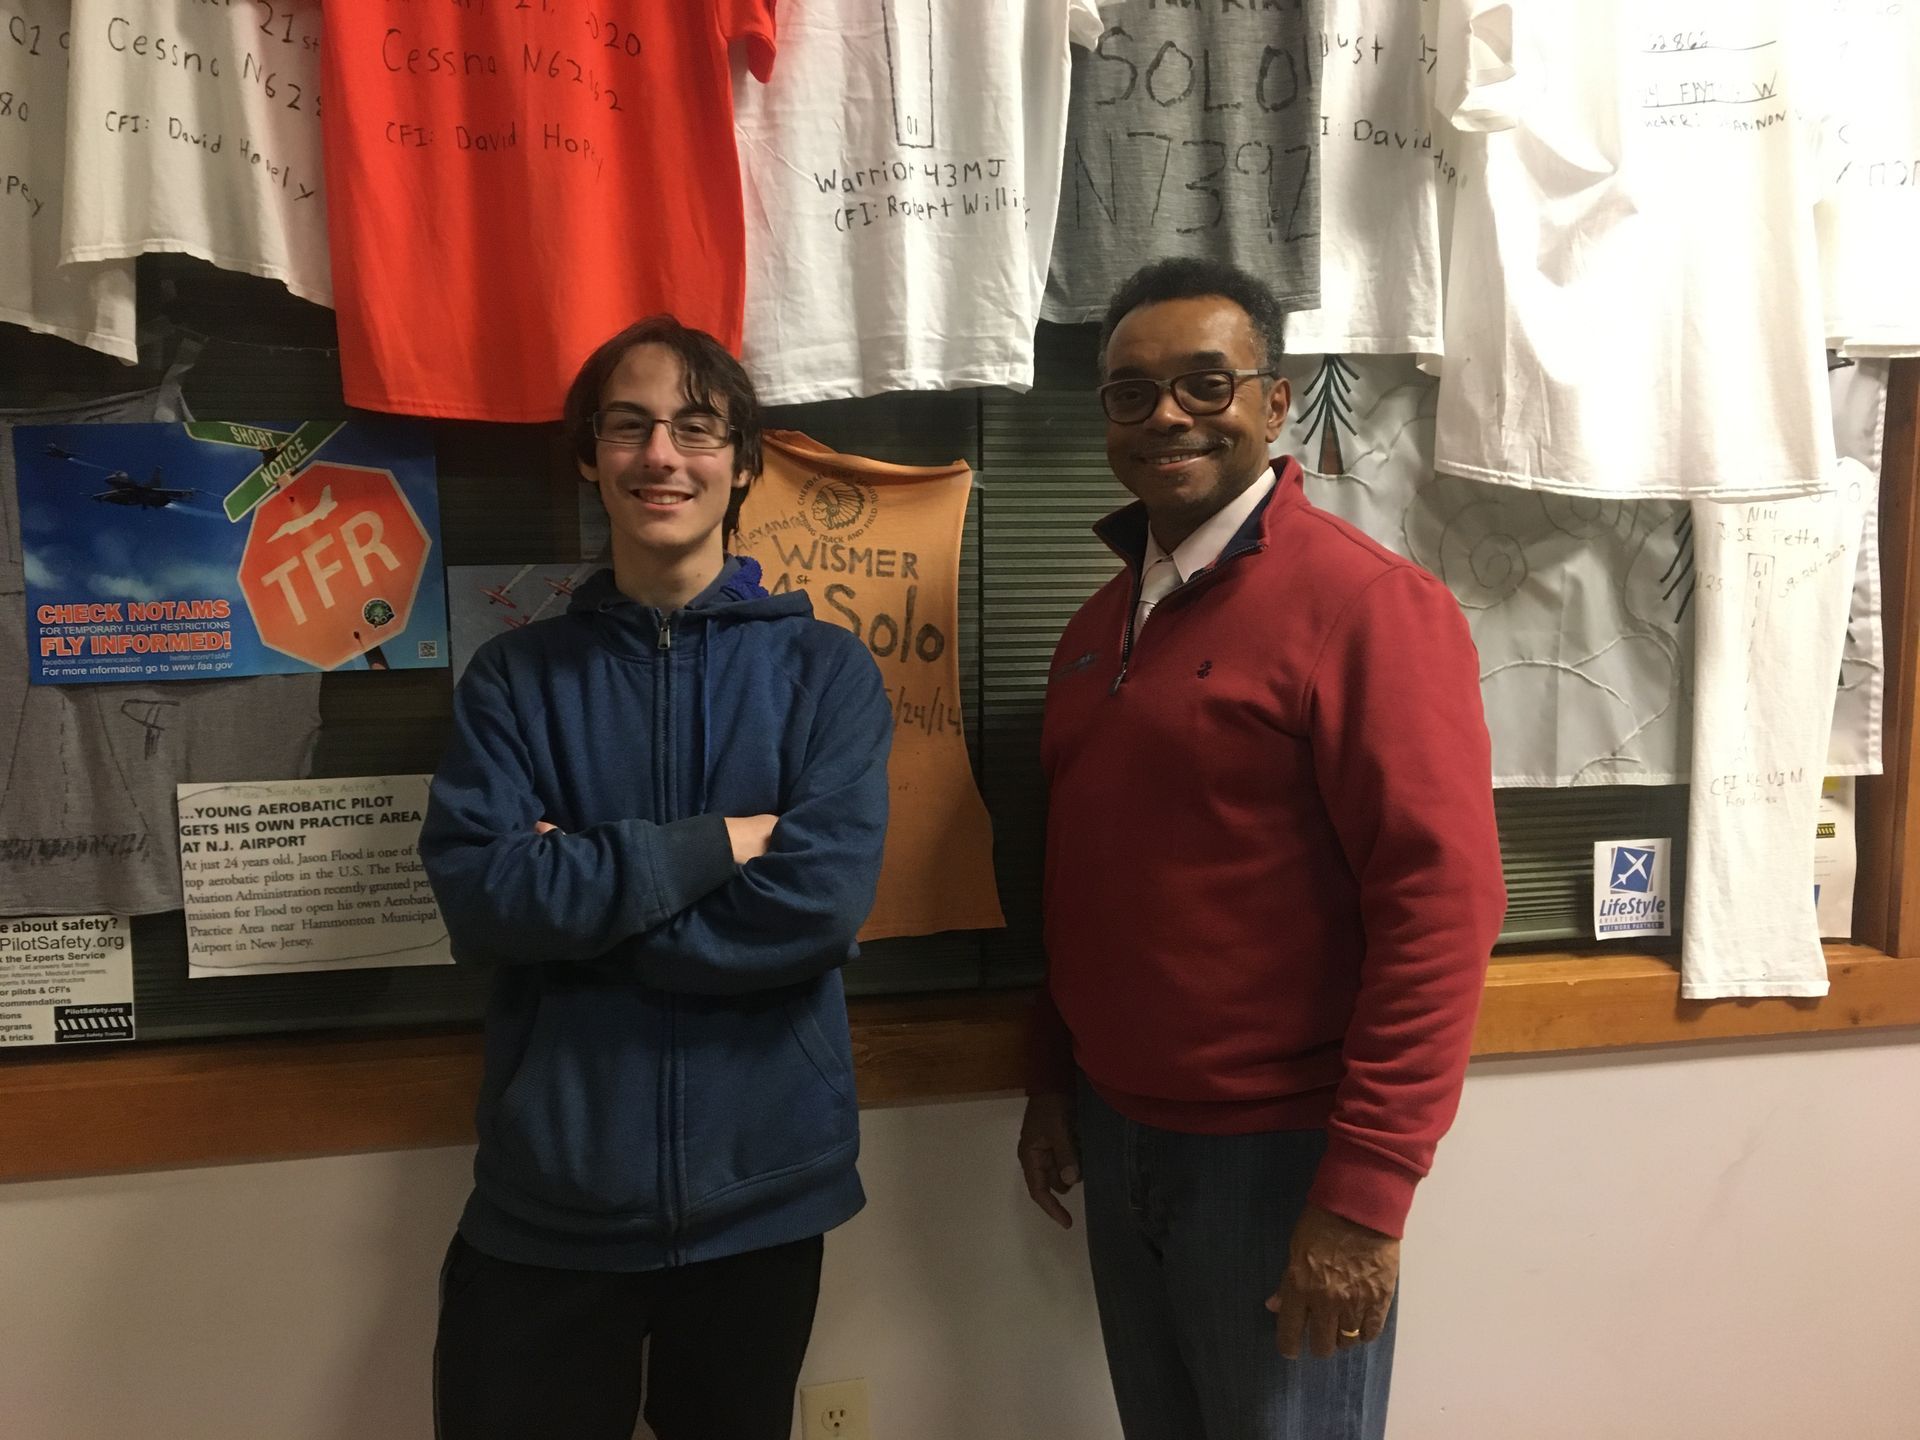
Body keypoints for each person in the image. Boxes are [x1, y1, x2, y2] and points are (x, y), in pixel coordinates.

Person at [1017, 259, 1507, 1440]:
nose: (1168, 415)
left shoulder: (1367, 608)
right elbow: (1079, 883)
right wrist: (1053, 1079)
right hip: (1119, 1128)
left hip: (1281, 1160)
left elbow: (1441, 908)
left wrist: (1366, 1197)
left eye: (1205, 383)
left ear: (1275, 405)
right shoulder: (1095, 630)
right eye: (1132, 394)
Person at [420, 316, 892, 1440]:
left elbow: (817, 907)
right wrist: (711, 848)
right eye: (627, 428)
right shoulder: (515, 679)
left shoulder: (824, 672)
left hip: (761, 1201)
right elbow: (484, 899)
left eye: (695, 428)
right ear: (590, 456)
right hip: (551, 1205)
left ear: (742, 461)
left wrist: (575, 908)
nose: (661, 457)